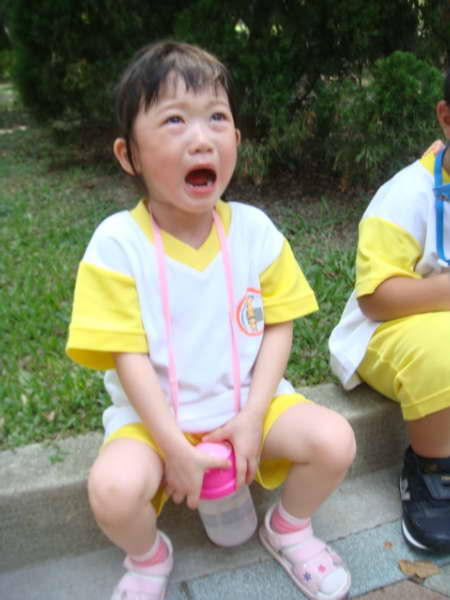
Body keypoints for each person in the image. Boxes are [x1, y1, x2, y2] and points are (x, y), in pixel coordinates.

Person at [66, 40, 355, 600]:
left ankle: (289, 528)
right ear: (128, 155)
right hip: (153, 421)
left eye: (217, 118)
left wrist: (253, 415)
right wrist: (172, 445)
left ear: (236, 142)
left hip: (248, 404)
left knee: (335, 442)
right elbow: (127, 356)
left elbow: (278, 325)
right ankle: (148, 558)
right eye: (174, 120)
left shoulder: (254, 231)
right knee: (113, 491)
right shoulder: (117, 245)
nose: (201, 138)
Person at [329, 70, 450, 554]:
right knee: (443, 347)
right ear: (446, 118)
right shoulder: (408, 193)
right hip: (387, 330)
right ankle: (432, 469)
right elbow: (376, 297)